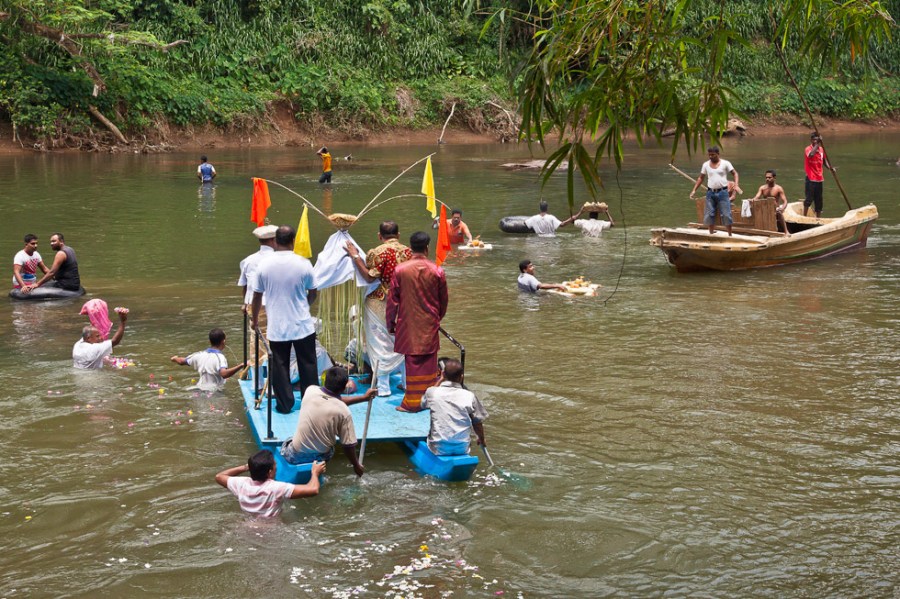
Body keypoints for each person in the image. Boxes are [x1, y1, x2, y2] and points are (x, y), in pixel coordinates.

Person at [250, 225, 318, 414]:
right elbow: (313, 292)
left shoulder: (264, 265)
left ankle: (284, 404)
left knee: (280, 366)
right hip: (302, 324)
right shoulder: (304, 263)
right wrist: (303, 306)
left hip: (277, 326)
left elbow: (256, 296)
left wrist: (254, 320)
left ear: (275, 241)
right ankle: (311, 403)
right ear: (293, 241)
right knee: (308, 364)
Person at [345, 221, 412, 396]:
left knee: (379, 342)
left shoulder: (376, 253)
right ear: (398, 235)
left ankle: (383, 387)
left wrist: (355, 256)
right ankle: (406, 383)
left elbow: (369, 277)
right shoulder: (409, 252)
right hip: (403, 302)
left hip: (379, 302)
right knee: (401, 341)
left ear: (379, 236)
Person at [386, 232, 448, 412]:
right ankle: (428, 400)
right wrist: (436, 319)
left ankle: (412, 403)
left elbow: (392, 301)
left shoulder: (400, 270)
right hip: (429, 322)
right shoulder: (437, 270)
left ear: (410, 248)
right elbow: (443, 301)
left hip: (408, 323)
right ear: (427, 248)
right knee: (429, 361)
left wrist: (391, 323)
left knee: (412, 362)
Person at [280, 366, 375, 476]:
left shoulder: (310, 391)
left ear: (325, 381)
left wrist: (364, 398)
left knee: (288, 440)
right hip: (322, 456)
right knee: (331, 448)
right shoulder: (344, 411)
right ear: (343, 388)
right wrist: (356, 465)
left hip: (296, 456)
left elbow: (333, 399)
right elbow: (348, 446)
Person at [215, 450, 326, 518]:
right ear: (269, 472)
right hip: (271, 531)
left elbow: (219, 476)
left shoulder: (241, 484)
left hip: (247, 527)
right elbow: (313, 490)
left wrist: (246, 467)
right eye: (275, 465)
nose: (276, 467)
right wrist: (315, 473)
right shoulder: (276, 488)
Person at [421, 359, 487, 456]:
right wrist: (482, 439)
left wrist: (440, 379)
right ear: (461, 377)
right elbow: (477, 423)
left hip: (438, 447)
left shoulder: (432, 392)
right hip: (462, 448)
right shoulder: (469, 396)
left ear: (443, 374)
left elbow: (423, 404)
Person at [238, 224, 277, 374]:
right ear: (274, 240)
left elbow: (245, 286)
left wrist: (245, 303)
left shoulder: (248, 260)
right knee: (273, 343)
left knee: (256, 341)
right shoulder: (278, 259)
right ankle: (271, 378)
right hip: (273, 304)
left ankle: (258, 378)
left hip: (253, 305)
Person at [170, 328, 246, 392]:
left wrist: (175, 358)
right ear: (223, 342)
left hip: (199, 389)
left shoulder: (199, 355)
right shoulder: (220, 357)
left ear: (209, 341)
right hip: (214, 392)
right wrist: (241, 365)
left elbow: (182, 361)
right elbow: (224, 374)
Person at [689, 146, 742, 236]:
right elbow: (701, 178)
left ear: (718, 154)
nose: (711, 156)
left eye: (713, 155)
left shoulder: (725, 163)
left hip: (723, 192)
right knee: (709, 214)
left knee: (726, 214)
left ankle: (729, 235)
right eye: (709, 155)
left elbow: (735, 173)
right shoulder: (705, 165)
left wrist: (736, 184)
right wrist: (694, 190)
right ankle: (711, 234)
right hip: (710, 192)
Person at [752, 169, 790, 234]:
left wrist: (782, 208)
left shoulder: (778, 188)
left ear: (774, 178)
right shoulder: (762, 188)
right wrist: (752, 200)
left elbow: (785, 201)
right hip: (765, 208)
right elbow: (756, 197)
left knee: (779, 213)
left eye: (769, 177)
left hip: (775, 209)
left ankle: (786, 231)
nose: (767, 179)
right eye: (766, 177)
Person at [804, 132, 832, 218]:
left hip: (819, 178)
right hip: (811, 178)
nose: (815, 141)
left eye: (817, 140)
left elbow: (824, 160)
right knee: (809, 199)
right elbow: (811, 155)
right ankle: (804, 217)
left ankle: (818, 218)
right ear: (811, 140)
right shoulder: (808, 149)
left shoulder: (821, 149)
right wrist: (818, 144)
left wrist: (830, 167)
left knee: (819, 200)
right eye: (814, 140)